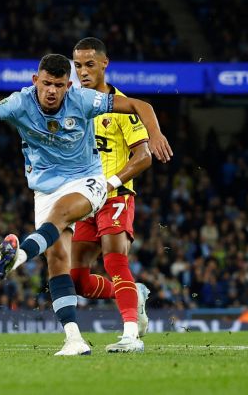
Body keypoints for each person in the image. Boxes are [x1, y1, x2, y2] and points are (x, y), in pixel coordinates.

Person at [0, 54, 172, 356]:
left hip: (87, 181)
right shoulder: (20, 102)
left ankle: (20, 256)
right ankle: (74, 338)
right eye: (47, 83)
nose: (52, 90)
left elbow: (141, 106)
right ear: (35, 81)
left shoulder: (84, 99)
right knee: (57, 262)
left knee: (65, 217)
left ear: (68, 86)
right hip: (44, 188)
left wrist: (154, 133)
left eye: (59, 85)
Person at [71, 37, 151, 353]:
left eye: (89, 64)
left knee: (114, 259)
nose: (83, 71)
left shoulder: (123, 107)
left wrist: (111, 183)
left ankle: (130, 334)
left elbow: (143, 156)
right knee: (77, 279)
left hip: (116, 196)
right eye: (77, 65)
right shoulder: (73, 105)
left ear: (105, 63)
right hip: (84, 201)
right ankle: (135, 293)